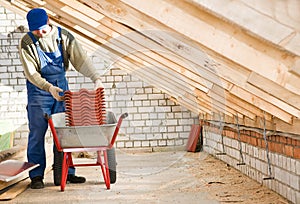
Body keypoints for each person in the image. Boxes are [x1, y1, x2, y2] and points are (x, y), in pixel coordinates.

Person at [19, 8, 104, 189]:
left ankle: (66, 173)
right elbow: (31, 73)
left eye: (42, 29)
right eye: (35, 31)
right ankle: (36, 176)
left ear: (48, 21)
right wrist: (48, 87)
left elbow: (81, 60)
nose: (39, 34)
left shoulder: (64, 37)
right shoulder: (27, 42)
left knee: (65, 133)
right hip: (39, 91)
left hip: (61, 89)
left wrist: (96, 78)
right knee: (37, 133)